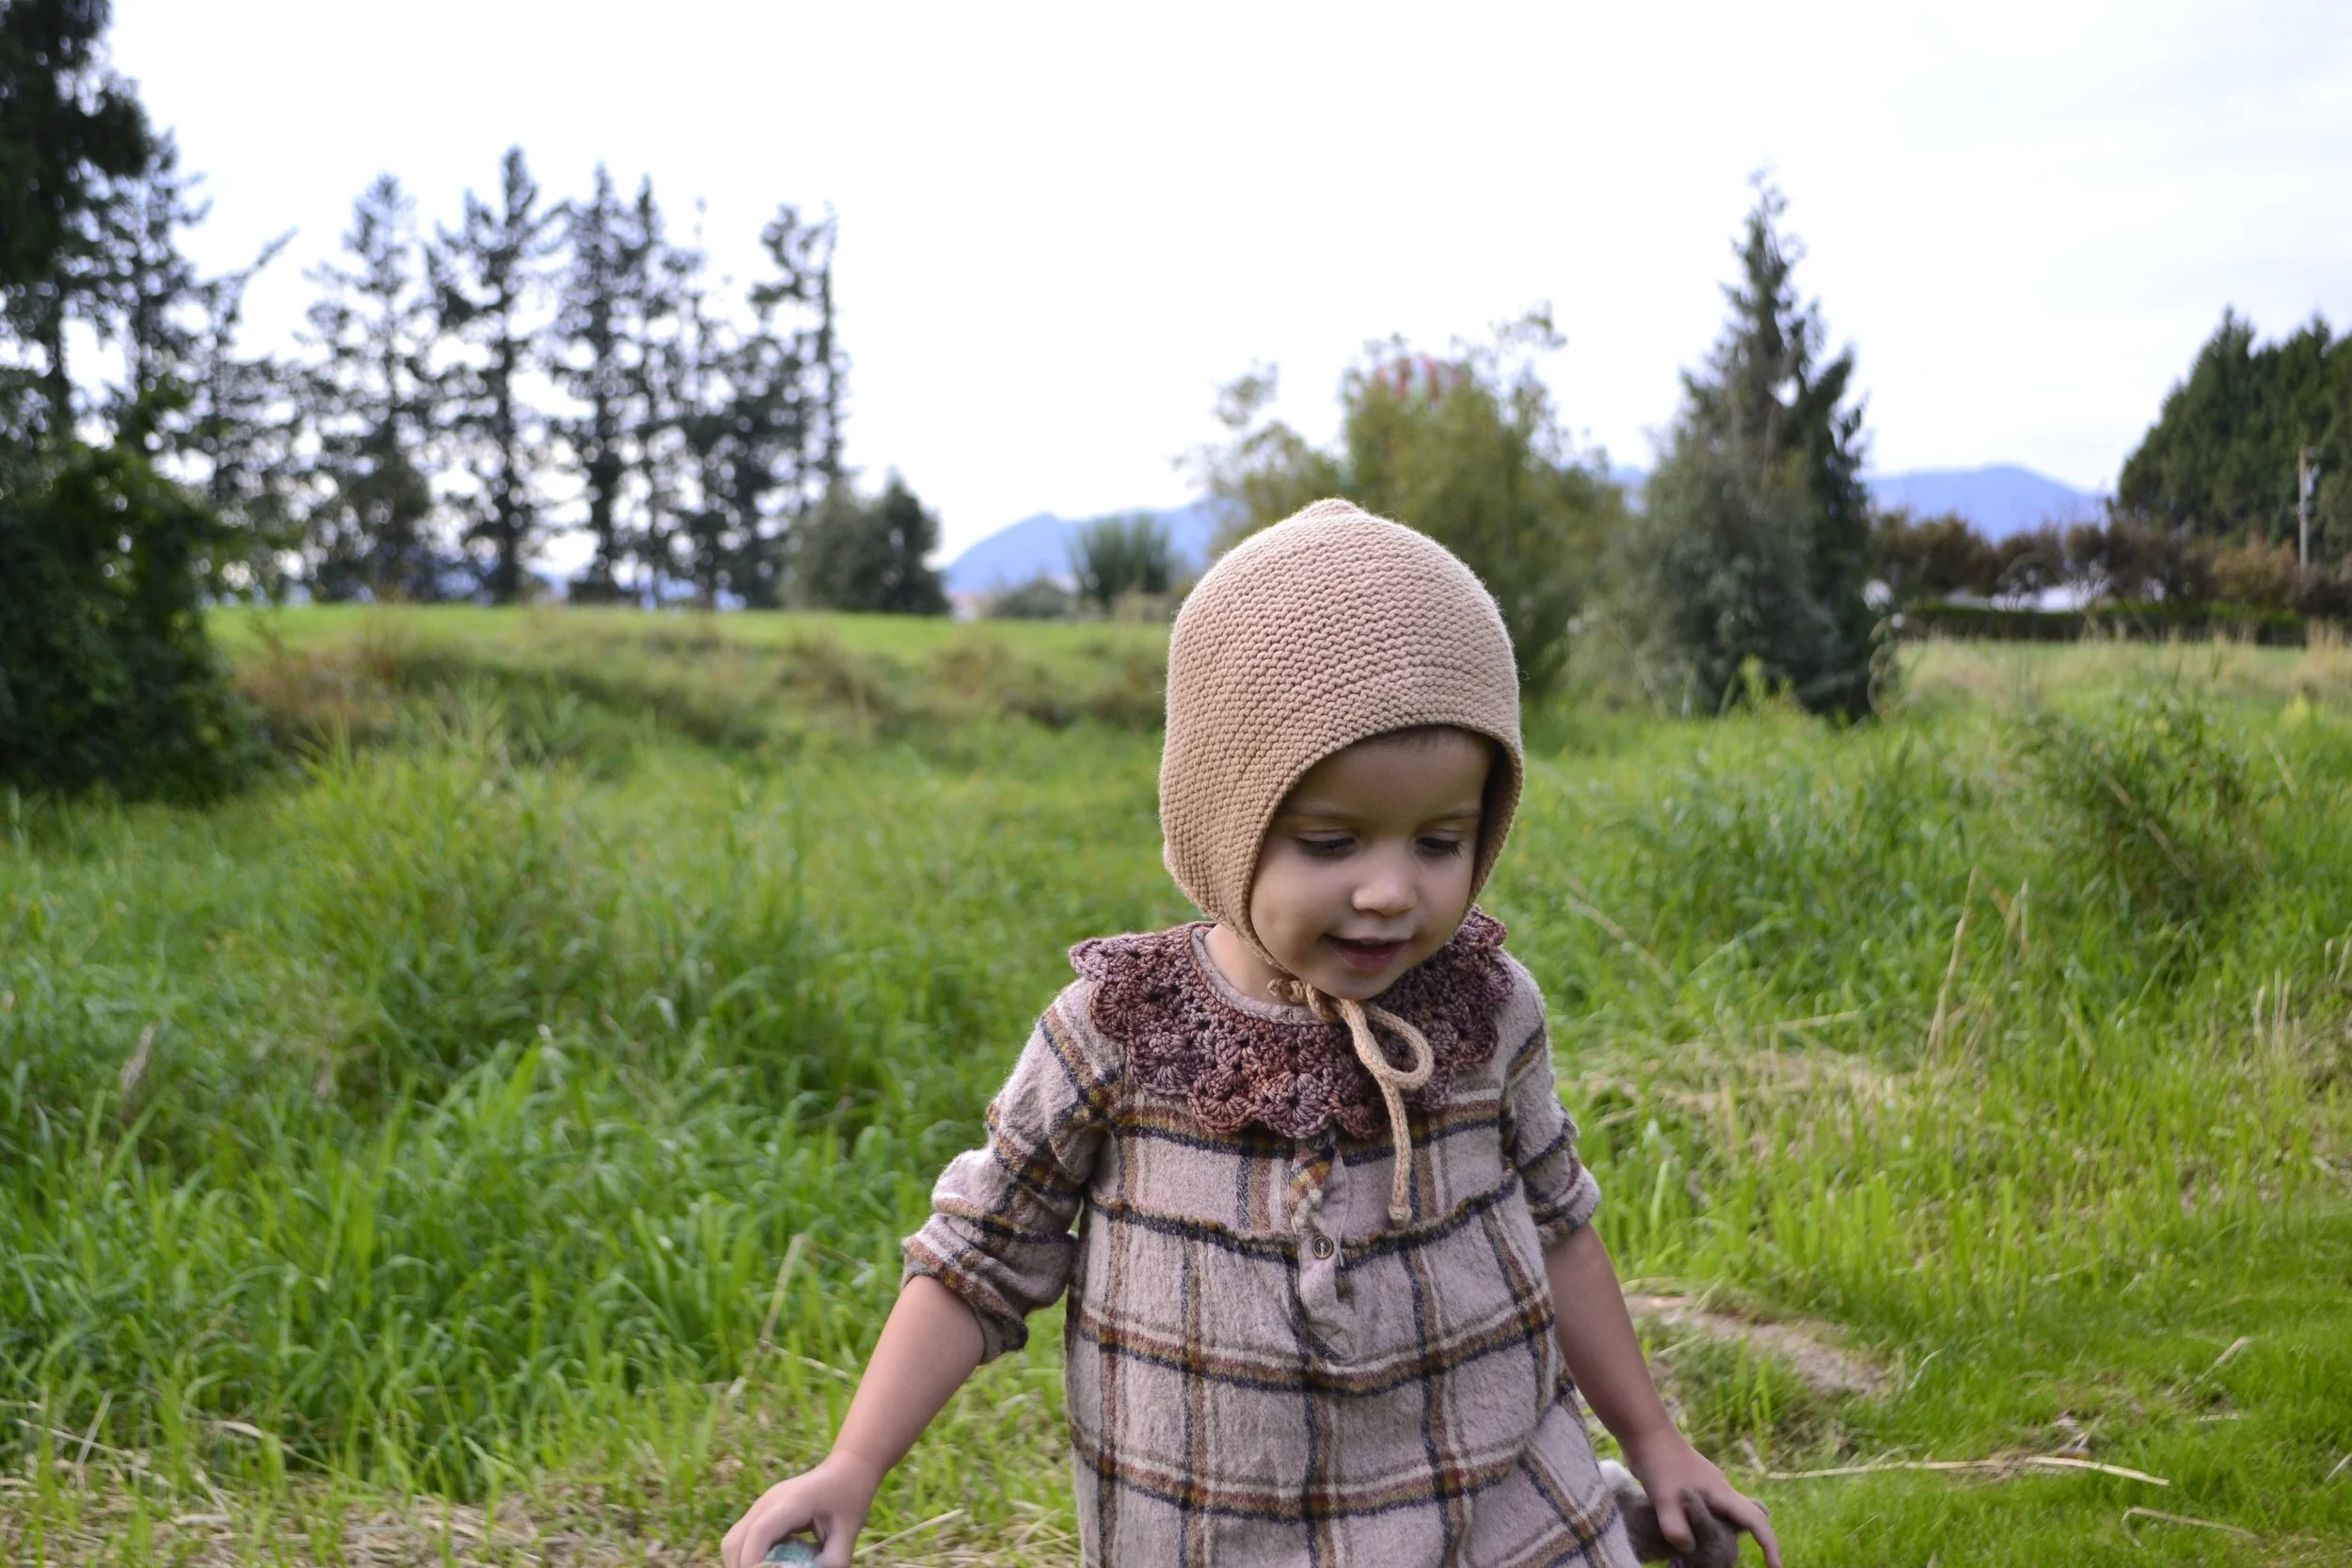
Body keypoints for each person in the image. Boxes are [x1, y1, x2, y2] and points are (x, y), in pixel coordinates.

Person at [722, 500, 1783, 1568]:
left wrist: (1656, 1440)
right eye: (1330, 841)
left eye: (1439, 841)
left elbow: (1558, 1226)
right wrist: (852, 1464)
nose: (1390, 890)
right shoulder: (1117, 1033)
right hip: (1217, 1533)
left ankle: (1606, 1514)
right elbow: (977, 1259)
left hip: (1495, 1513)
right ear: (1223, 822)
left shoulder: (1486, 1008)